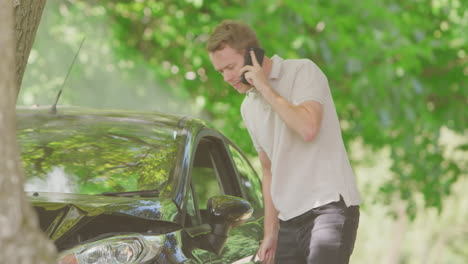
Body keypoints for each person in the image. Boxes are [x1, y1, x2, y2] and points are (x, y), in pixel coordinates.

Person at [207, 20, 362, 264]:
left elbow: (307, 127)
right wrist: (271, 232)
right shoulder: (248, 107)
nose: (226, 77)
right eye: (220, 71)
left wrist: (265, 88)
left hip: (328, 207)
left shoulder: (302, 71)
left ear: (252, 56)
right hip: (289, 219)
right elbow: (269, 170)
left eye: (230, 67)